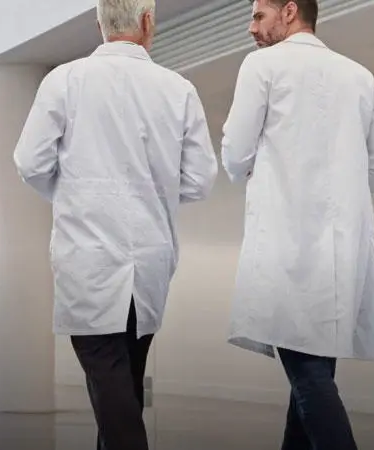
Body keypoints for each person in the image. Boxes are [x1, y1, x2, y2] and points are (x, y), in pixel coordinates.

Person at [13, 0, 219, 448]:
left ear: (99, 25)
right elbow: (200, 180)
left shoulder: (64, 81)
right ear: (147, 22)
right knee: (120, 385)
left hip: (88, 259)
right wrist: (154, 194)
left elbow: (30, 164)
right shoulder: (178, 89)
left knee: (112, 390)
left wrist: (75, 196)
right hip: (149, 262)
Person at [221, 0, 374, 448]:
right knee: (311, 374)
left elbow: (234, 154)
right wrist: (339, 197)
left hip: (285, 248)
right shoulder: (360, 76)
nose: (250, 27)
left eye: (258, 15)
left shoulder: (262, 66)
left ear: (289, 11)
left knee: (310, 378)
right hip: (343, 253)